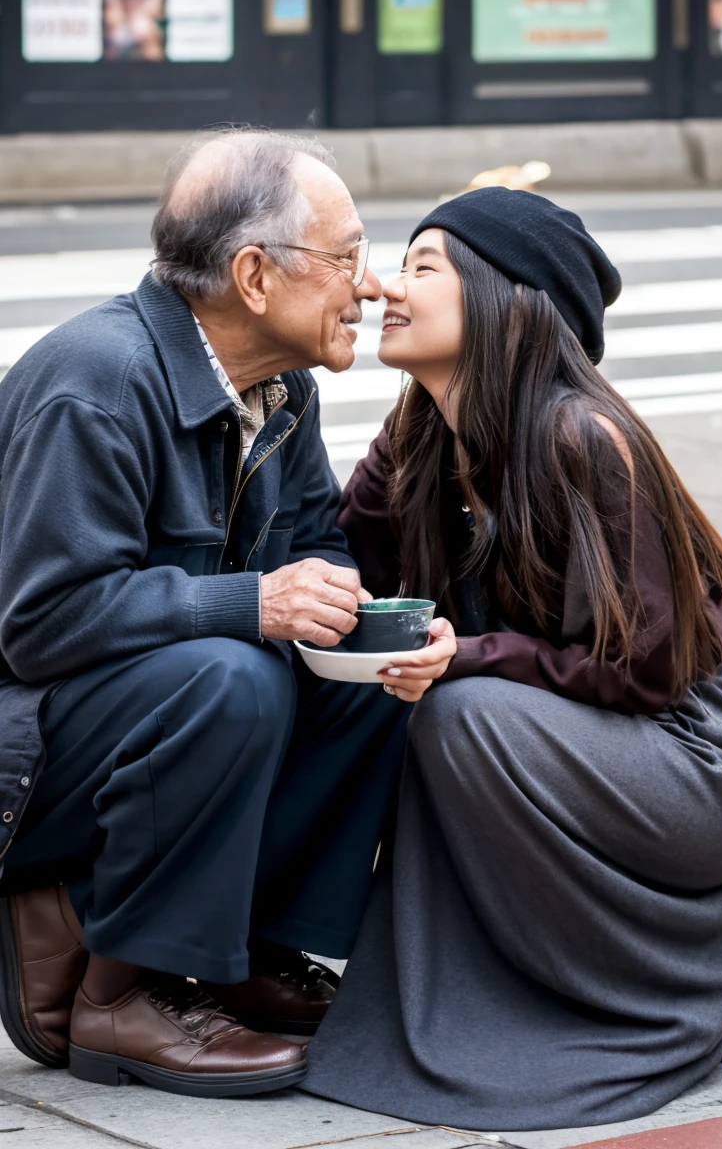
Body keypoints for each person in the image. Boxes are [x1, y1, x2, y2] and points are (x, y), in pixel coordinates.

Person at [303, 188, 722, 1131]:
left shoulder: (582, 441)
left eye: (425, 266)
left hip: (689, 775)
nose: (388, 283)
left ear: (504, 296)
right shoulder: (421, 441)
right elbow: (350, 566)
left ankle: (602, 1006)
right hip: (573, 752)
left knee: (463, 709)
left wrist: (467, 655)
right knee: (379, 695)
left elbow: (645, 673)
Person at [0, 127, 422, 1098]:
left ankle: (247, 956)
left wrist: (344, 603)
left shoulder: (281, 391)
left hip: (143, 720)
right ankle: (122, 995)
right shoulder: (96, 381)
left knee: (365, 666)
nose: (368, 285)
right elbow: (42, 624)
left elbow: (312, 542)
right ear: (254, 276)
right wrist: (253, 603)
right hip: (29, 756)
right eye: (347, 257)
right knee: (228, 672)